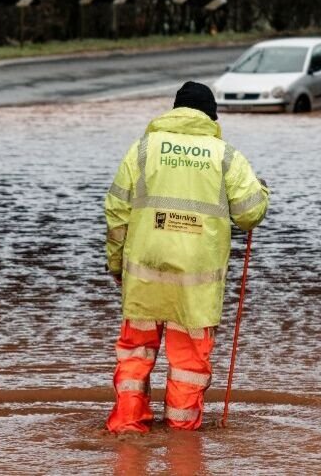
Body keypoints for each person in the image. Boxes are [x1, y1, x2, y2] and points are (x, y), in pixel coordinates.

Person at [103, 81, 269, 433]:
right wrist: (263, 190)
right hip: (195, 286)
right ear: (211, 116)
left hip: (145, 278)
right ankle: (182, 441)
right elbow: (250, 214)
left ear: (174, 110)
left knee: (135, 356)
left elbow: (117, 213)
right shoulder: (224, 155)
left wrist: (116, 265)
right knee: (188, 364)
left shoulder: (142, 150)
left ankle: (129, 428)